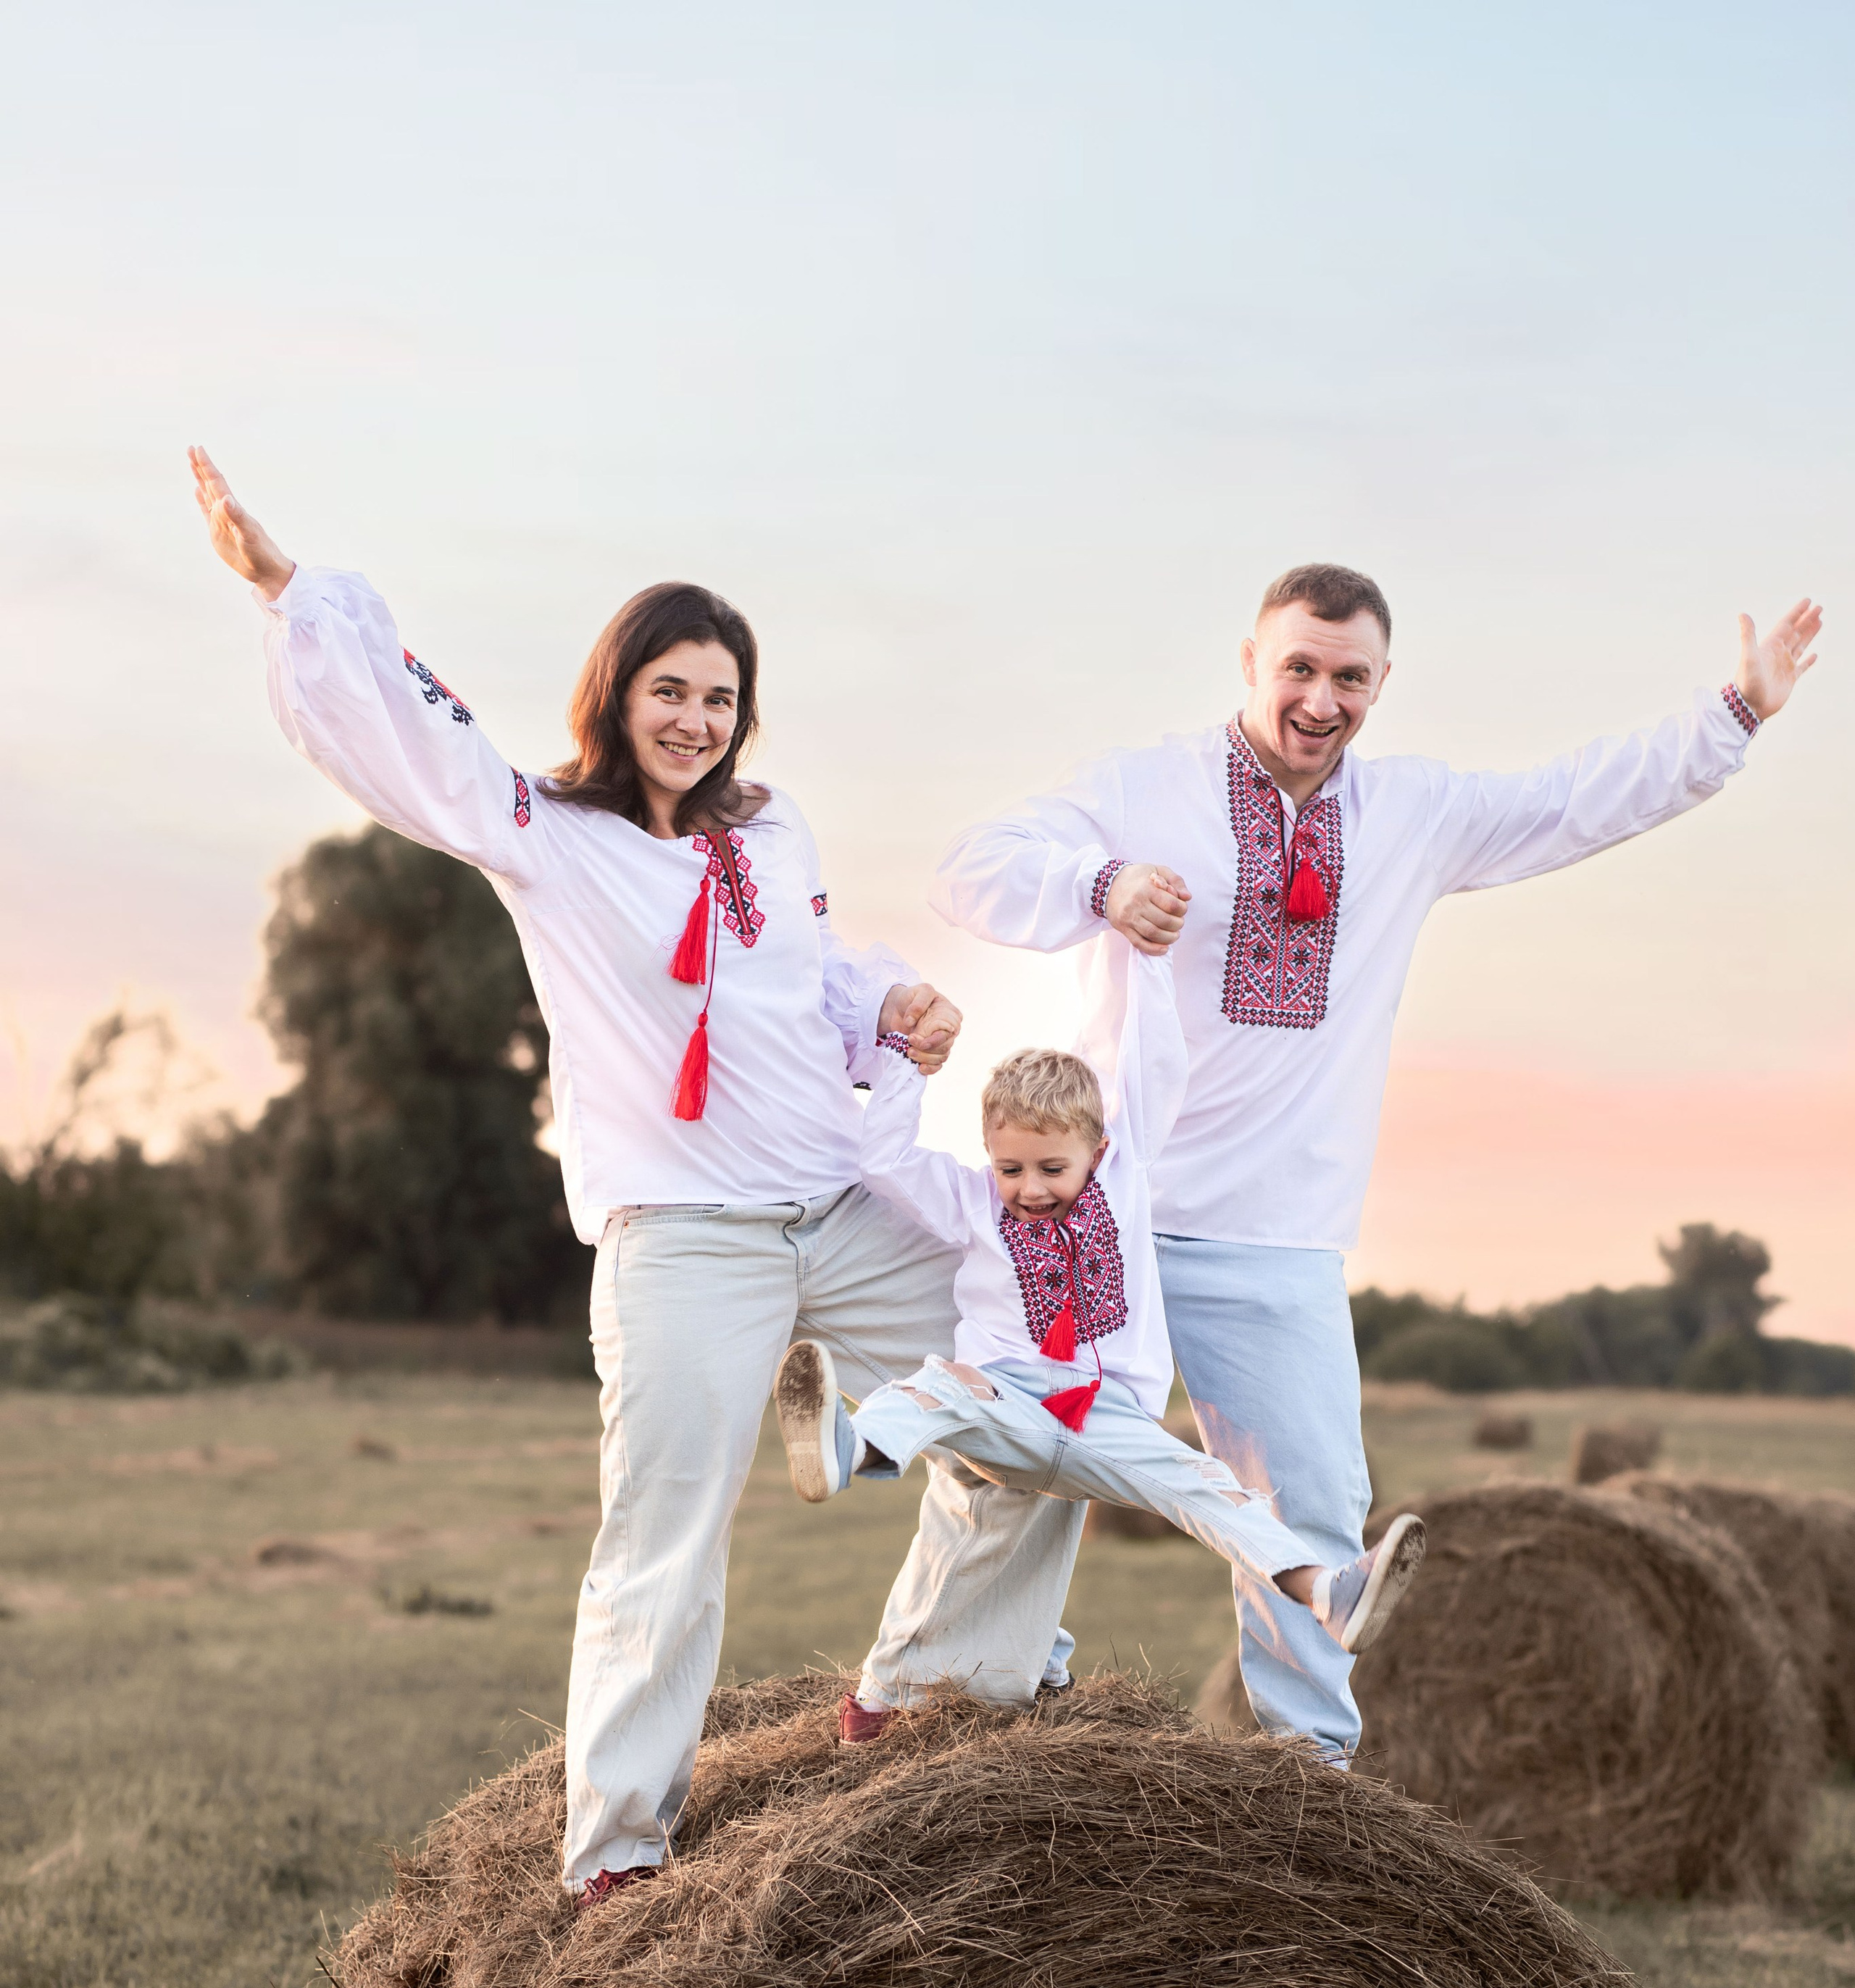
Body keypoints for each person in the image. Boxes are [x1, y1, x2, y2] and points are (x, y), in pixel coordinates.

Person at [187, 446, 1082, 1902]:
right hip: (687, 1239)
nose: (695, 718)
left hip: (839, 1206)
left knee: (1039, 1400)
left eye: (719, 696)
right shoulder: (550, 836)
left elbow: (812, 975)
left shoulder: (768, 828)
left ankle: (927, 1686)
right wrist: (294, 592)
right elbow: (426, 743)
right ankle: (616, 1860)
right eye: (669, 688)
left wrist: (893, 1002)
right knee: (661, 1547)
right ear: (617, 694)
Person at [917, 562, 1823, 1758]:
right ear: (1252, 661)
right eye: (1300, 667)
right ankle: (952, 1713)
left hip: (1281, 1232)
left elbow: (1576, 799)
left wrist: (1735, 714)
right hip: (1106, 1212)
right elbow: (971, 867)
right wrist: (1099, 883)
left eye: (1350, 677)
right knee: (1020, 1460)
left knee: (1316, 1514)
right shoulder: (1146, 788)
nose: (1321, 698)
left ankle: (1308, 1785)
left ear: (1383, 684)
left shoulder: (1414, 814)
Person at [776, 943, 1427, 1671]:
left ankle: (1326, 1592)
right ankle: (851, 1449)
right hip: (1011, 1401)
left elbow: (1150, 1063)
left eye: (1052, 1168)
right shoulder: (972, 1201)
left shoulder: (1126, 1178)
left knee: (1213, 1490)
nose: (1028, 1188)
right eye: (1010, 1167)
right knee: (938, 1382)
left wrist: (1146, 958)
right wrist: (899, 1061)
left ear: (1098, 1149)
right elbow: (887, 1161)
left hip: (1110, 1418)